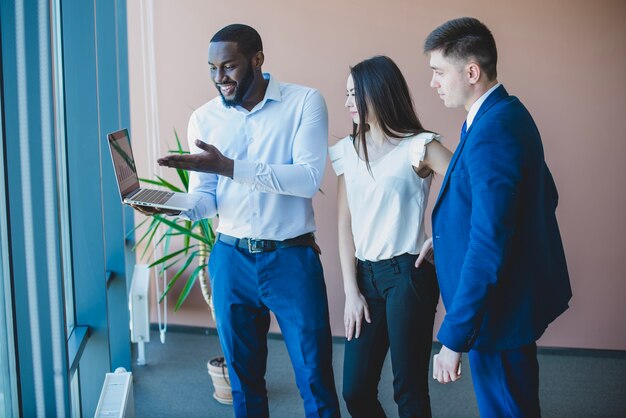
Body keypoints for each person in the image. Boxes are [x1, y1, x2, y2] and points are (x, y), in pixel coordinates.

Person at [156, 24, 340, 418]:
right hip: (230, 259)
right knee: (244, 384)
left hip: (291, 258)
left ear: (257, 60)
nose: (219, 78)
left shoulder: (304, 102)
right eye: (212, 68)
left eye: (229, 66)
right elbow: (206, 199)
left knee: (315, 379)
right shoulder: (204, 120)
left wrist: (229, 166)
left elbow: (308, 180)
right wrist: (169, 206)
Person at [418, 17, 572, 416]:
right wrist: (450, 237)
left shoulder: (493, 130)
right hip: (504, 306)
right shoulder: (506, 113)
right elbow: (537, 197)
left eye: (438, 72)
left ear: (471, 71)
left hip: (498, 315)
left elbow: (489, 241)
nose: (433, 82)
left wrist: (452, 339)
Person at [329, 55, 452, 418]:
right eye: (347, 94)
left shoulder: (420, 146)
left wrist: (441, 238)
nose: (348, 102)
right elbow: (343, 226)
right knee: (355, 391)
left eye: (355, 93)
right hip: (365, 278)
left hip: (408, 275)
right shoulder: (348, 152)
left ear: (379, 92)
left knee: (408, 390)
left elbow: (472, 188)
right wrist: (351, 291)